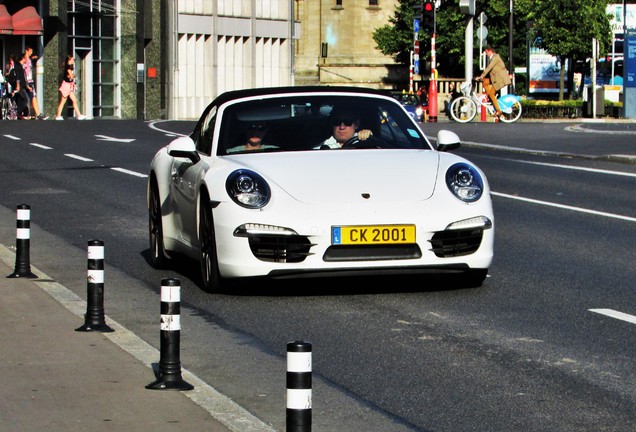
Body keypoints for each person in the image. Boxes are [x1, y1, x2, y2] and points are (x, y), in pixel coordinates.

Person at [475, 45, 511, 120]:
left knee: (491, 93)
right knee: (485, 82)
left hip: (499, 79)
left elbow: (489, 68)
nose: (486, 54)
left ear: (490, 51)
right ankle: (491, 98)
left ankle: (498, 110)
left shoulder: (495, 58)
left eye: (487, 52)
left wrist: (481, 76)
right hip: (495, 78)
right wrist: (482, 78)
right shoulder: (492, 58)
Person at [55, 55, 86, 120]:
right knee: (63, 101)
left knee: (74, 100)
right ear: (69, 60)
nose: (73, 61)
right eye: (72, 60)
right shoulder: (68, 67)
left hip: (69, 86)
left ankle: (79, 115)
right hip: (66, 86)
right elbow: (71, 76)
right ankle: (58, 116)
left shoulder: (70, 67)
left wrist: (71, 76)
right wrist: (72, 76)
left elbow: (70, 76)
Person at [22, 47, 47, 120]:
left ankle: (37, 113)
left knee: (33, 97)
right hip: (27, 81)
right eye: (30, 51)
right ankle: (37, 114)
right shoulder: (24, 59)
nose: (31, 52)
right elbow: (23, 69)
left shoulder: (29, 59)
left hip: (29, 81)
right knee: (31, 97)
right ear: (26, 51)